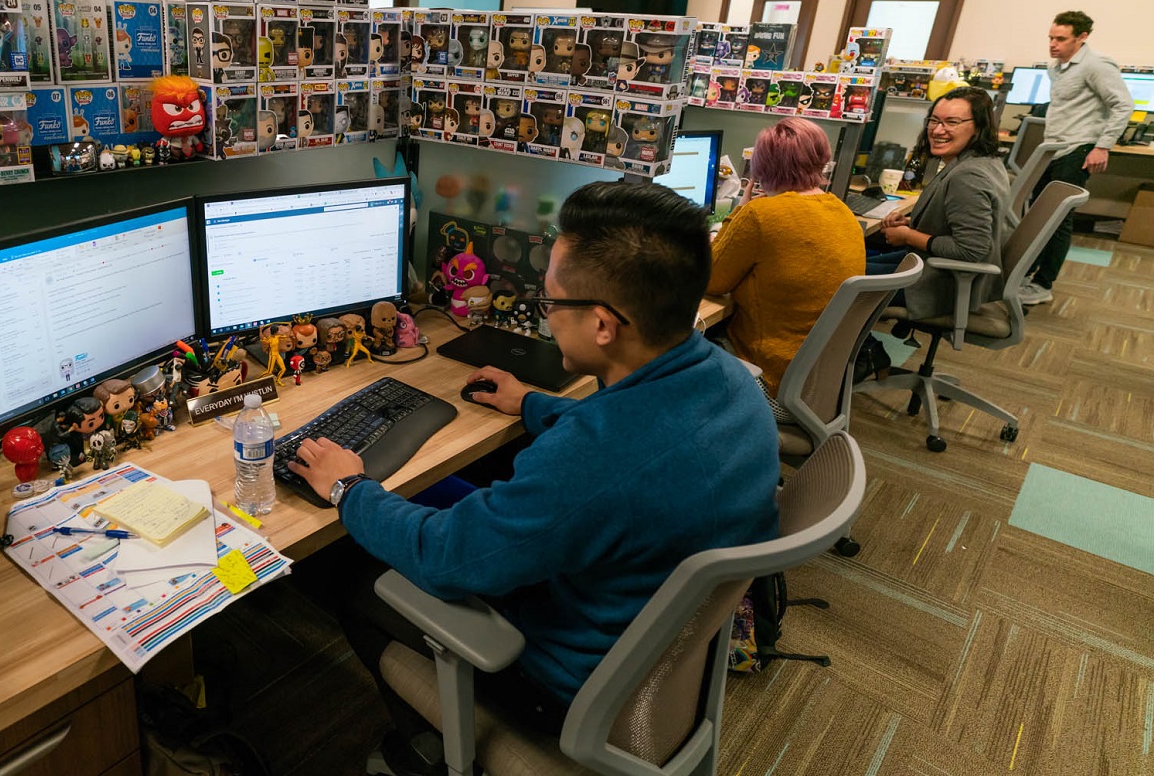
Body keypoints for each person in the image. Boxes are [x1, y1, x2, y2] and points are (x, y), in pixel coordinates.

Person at [291, 182, 780, 775]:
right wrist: (532, 403)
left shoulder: (592, 459)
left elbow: (445, 558)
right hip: (643, 643)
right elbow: (637, 440)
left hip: (560, 681)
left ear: (603, 324)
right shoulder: (733, 382)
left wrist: (347, 487)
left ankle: (429, 750)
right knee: (447, 492)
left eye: (551, 302)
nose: (545, 315)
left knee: (341, 566)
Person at [707, 117, 865, 411]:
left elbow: (712, 280)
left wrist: (740, 210)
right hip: (818, 387)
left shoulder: (762, 215)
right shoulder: (840, 209)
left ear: (762, 168)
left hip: (768, 383)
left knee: (665, 347)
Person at [867, 87, 1015, 321]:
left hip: (938, 285)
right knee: (853, 258)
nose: (937, 130)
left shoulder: (968, 176)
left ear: (978, 127)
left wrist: (907, 235)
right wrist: (910, 222)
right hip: (933, 269)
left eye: (951, 122)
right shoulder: (982, 161)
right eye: (934, 120)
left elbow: (970, 249)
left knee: (837, 276)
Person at [1020, 11, 1133, 306]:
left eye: (1061, 39)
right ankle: (1025, 272)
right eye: (1050, 38)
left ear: (1082, 37)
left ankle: (1043, 285)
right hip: (1053, 150)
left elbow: (1123, 105)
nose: (1053, 44)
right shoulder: (1055, 67)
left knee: (1058, 219)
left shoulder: (1096, 65)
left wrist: (1103, 146)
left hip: (1078, 150)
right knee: (1036, 215)